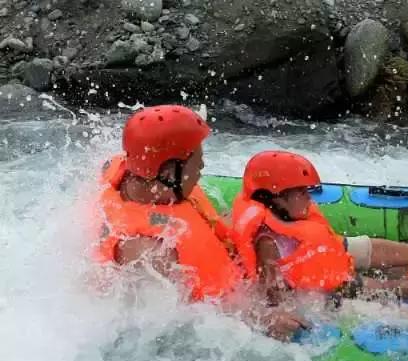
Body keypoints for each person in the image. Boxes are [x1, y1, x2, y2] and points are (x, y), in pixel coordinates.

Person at [92, 105, 306, 340]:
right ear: (169, 171)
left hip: (231, 268)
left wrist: (263, 250)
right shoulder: (149, 250)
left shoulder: (137, 173)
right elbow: (187, 321)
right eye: (197, 159)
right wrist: (263, 320)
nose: (202, 167)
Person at [230, 150, 408, 307]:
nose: (309, 198)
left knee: (372, 247)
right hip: (326, 287)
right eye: (300, 192)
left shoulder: (285, 217)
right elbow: (271, 288)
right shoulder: (267, 241)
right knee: (399, 287)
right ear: (275, 197)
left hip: (328, 258)